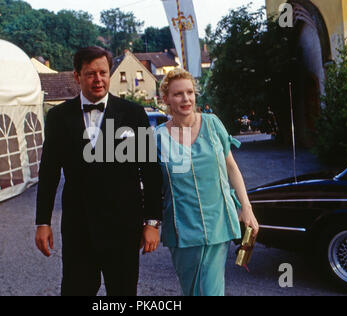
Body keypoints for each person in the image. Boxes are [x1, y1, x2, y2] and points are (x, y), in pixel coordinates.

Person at [35, 46, 163, 296]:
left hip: (124, 227)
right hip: (78, 227)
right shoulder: (59, 117)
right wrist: (43, 222)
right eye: (91, 73)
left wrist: (152, 223)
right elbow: (48, 173)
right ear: (77, 76)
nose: (98, 79)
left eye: (103, 72)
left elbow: (150, 172)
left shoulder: (133, 114)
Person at [155, 69, 259, 296]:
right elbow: (150, 186)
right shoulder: (156, 137)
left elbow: (232, 167)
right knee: (191, 290)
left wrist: (246, 208)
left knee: (211, 291)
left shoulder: (213, 124)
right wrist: (150, 223)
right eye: (178, 94)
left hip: (217, 221)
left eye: (190, 92)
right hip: (181, 227)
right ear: (166, 100)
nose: (186, 99)